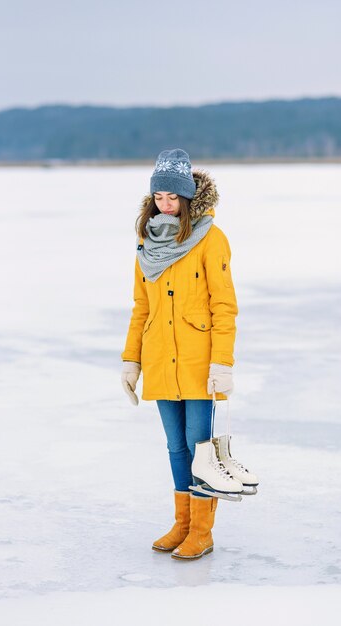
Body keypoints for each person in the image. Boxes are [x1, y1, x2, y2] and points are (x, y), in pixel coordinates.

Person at [121, 148, 238, 560]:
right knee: (176, 446)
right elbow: (142, 306)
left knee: (199, 444)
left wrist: (222, 362)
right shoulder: (145, 243)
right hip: (158, 358)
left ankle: (202, 531)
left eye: (173, 197)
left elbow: (224, 306)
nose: (165, 204)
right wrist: (131, 359)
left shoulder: (210, 238)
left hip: (198, 361)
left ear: (187, 198)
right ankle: (183, 523)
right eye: (159, 197)